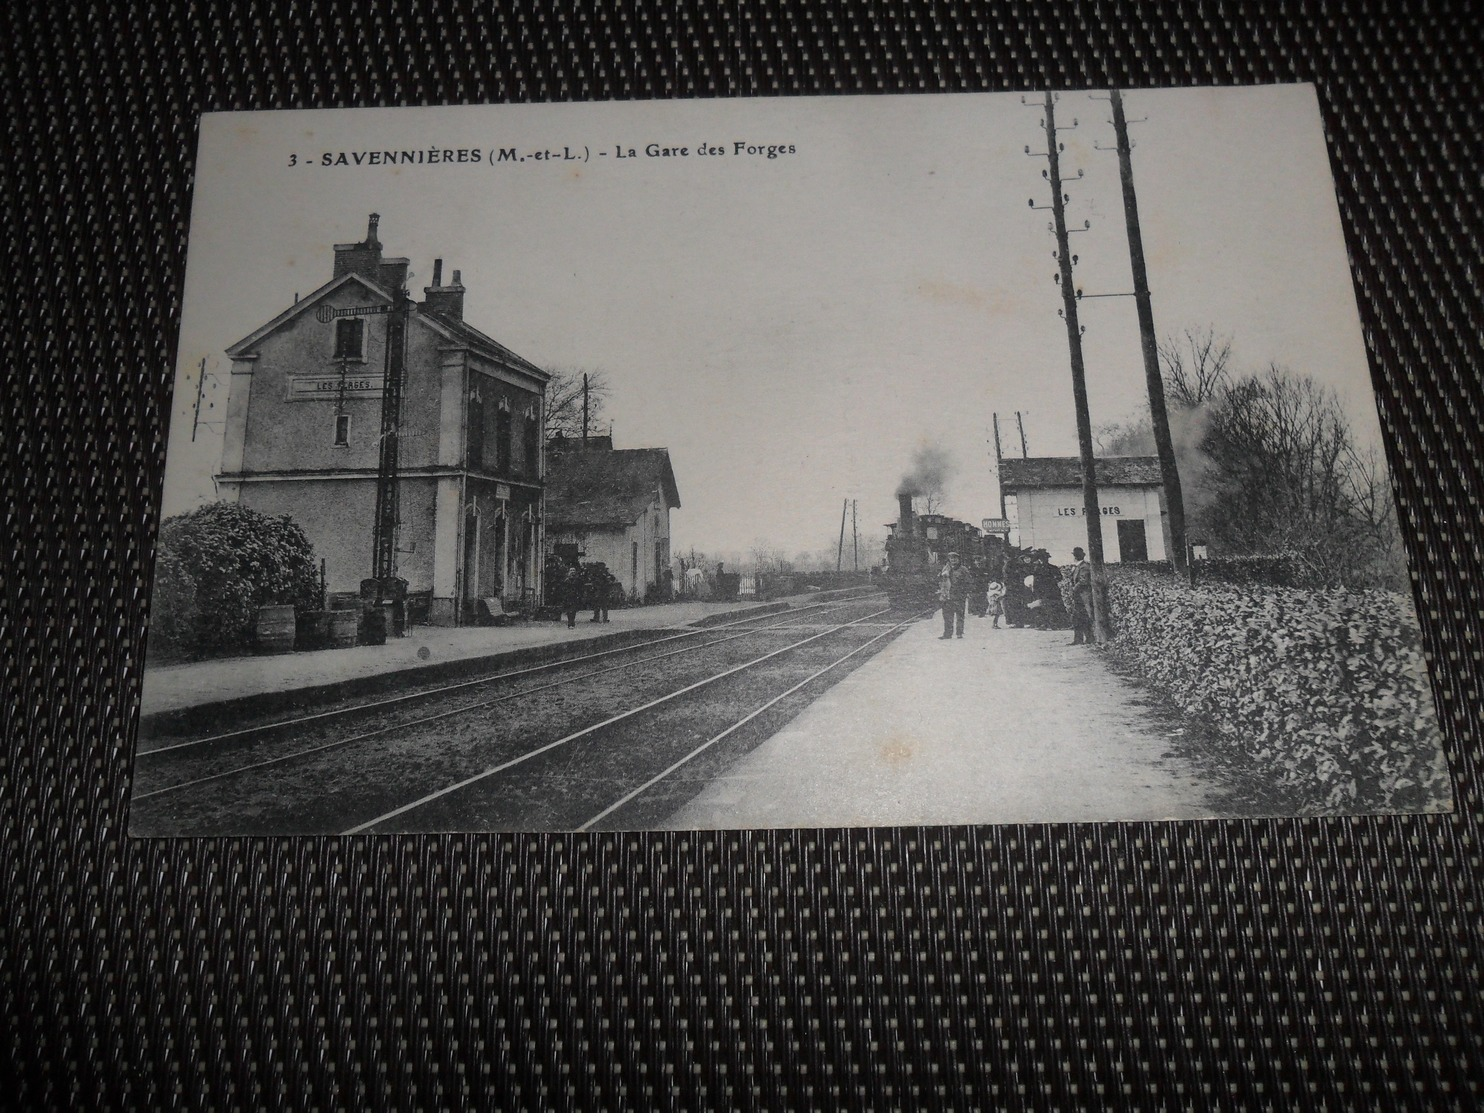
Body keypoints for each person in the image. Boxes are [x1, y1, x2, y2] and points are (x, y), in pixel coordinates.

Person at [938, 551, 972, 639]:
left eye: (955, 558)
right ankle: (947, 634)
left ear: (958, 559)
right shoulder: (945, 569)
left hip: (959, 595)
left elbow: (968, 582)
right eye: (951, 558)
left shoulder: (963, 569)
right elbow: (940, 581)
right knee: (947, 616)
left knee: (960, 615)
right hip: (947, 596)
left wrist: (966, 592)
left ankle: (959, 633)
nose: (953, 560)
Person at [1068, 546, 1094, 645]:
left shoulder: (1084, 567)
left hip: (1083, 596)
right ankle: (1080, 639)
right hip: (1078, 596)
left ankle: (1087, 639)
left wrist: (1074, 589)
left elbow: (1083, 581)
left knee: (1083, 617)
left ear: (1075, 556)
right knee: (1077, 618)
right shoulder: (1077, 566)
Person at [561, 563, 584, 629]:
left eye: (574, 570)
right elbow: (563, 589)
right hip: (568, 597)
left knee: (573, 610)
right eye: (571, 570)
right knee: (569, 611)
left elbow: (580, 588)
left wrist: (579, 595)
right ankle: (570, 623)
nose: (572, 572)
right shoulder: (566, 580)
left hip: (575, 597)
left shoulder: (578, 580)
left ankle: (572, 622)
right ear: (569, 572)